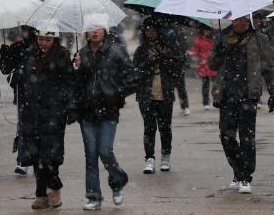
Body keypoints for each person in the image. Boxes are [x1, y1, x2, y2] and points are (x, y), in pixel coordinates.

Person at [209, 15, 274, 194]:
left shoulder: (259, 39)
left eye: (244, 20)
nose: (240, 23)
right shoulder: (223, 38)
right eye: (237, 20)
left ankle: (245, 177)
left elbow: (269, 68)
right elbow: (212, 65)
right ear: (232, 21)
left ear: (249, 22)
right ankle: (238, 171)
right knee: (226, 136)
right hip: (226, 95)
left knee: (247, 137)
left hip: (248, 95)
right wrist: (218, 50)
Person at [13, 25, 77, 210]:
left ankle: (54, 188)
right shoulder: (27, 54)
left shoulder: (62, 56)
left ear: (54, 40)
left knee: (50, 155)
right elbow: (18, 81)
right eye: (40, 39)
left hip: (54, 113)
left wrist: (70, 106)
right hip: (31, 113)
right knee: (35, 154)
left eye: (48, 40)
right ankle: (40, 194)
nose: (43, 43)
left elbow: (70, 83)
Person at [73, 19, 134, 211]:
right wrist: (78, 68)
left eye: (98, 28)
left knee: (105, 151)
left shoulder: (115, 51)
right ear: (86, 33)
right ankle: (93, 195)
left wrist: (117, 94)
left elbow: (131, 77)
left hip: (109, 111)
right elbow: (77, 84)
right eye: (91, 29)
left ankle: (117, 181)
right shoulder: (81, 54)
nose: (95, 32)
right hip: (87, 112)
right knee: (90, 155)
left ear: (104, 31)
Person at [133, 17, 183, 174]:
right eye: (147, 30)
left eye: (153, 29)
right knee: (149, 128)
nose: (150, 33)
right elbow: (136, 71)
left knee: (165, 127)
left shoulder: (169, 48)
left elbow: (178, 69)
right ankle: (149, 159)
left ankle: (165, 157)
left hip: (165, 94)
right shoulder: (141, 50)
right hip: (146, 95)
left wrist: (164, 58)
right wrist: (148, 62)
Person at [0, 25, 37, 176]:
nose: (26, 31)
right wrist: (4, 55)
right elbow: (5, 69)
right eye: (24, 28)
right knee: (24, 127)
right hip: (23, 95)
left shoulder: (43, 48)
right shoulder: (17, 47)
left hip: (43, 95)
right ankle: (23, 160)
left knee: (39, 128)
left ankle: (38, 159)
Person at [188, 27, 216, 110]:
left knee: (216, 85)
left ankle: (216, 100)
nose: (207, 31)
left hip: (213, 64)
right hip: (204, 65)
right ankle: (206, 102)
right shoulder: (199, 40)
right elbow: (196, 51)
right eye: (205, 29)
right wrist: (192, 53)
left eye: (208, 30)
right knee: (205, 85)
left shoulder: (214, 40)